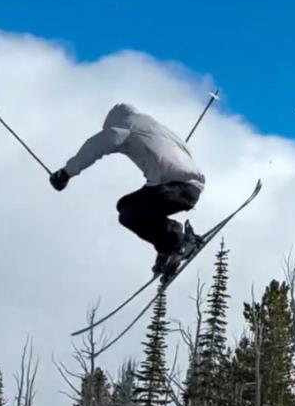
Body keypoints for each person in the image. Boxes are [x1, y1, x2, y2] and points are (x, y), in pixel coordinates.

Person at [49, 103, 205, 278]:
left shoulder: (123, 127)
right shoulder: (157, 127)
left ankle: (177, 242)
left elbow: (95, 146)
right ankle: (168, 244)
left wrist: (66, 173)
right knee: (130, 206)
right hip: (193, 188)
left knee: (128, 212)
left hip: (171, 186)